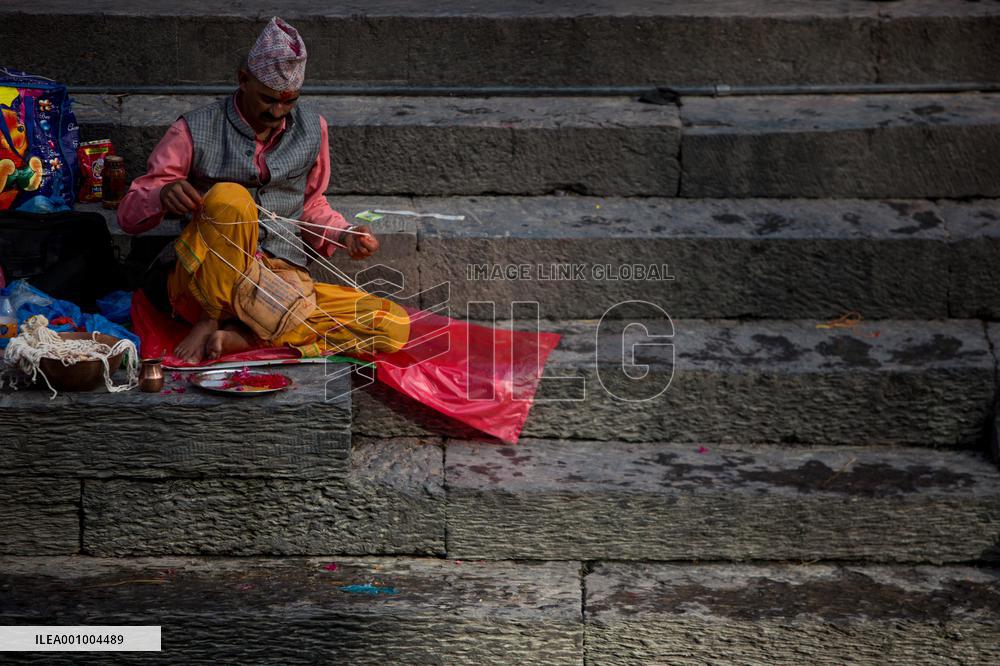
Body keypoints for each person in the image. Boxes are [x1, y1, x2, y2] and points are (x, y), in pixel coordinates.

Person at [118, 17, 409, 364]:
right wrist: (162, 196)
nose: (277, 111)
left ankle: (245, 335)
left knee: (392, 325)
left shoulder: (313, 128)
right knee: (230, 196)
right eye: (269, 99)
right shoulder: (193, 128)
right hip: (201, 282)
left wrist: (345, 234)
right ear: (243, 80)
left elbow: (311, 204)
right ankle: (213, 318)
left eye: (289, 102)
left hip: (276, 287)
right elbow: (128, 215)